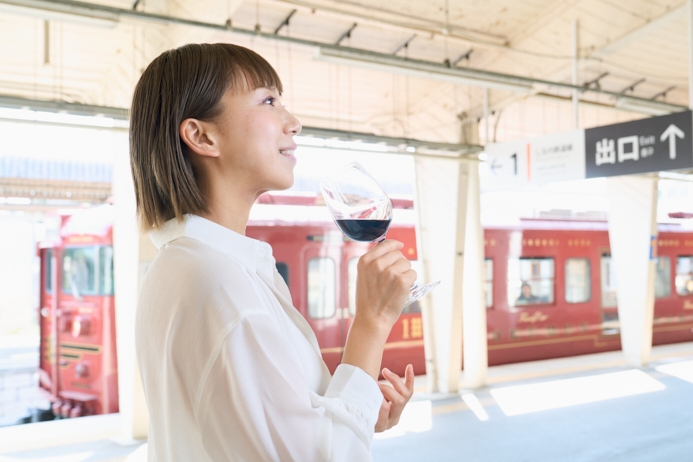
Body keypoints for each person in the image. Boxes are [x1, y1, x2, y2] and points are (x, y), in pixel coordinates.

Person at [129, 43, 418, 461]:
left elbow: (269, 428)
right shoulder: (219, 282)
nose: (294, 123)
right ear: (201, 135)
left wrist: (359, 412)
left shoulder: (179, 266)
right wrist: (371, 324)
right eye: (268, 100)